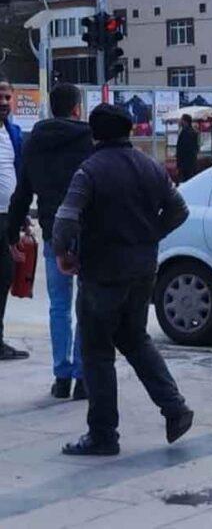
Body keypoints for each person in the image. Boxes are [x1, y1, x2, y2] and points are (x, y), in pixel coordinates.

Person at [53, 104, 193, 455]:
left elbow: (67, 218)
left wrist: (63, 253)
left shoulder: (90, 170)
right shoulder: (150, 167)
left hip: (102, 271)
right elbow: (179, 209)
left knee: (97, 351)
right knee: (135, 338)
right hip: (143, 269)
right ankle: (175, 408)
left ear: (95, 134)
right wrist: (149, 236)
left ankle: (103, 434)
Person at [7, 83, 93, 398]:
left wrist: (12, 231)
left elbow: (22, 192)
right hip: (85, 231)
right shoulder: (88, 140)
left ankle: (61, 377)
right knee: (85, 303)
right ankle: (83, 377)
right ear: (75, 109)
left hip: (53, 231)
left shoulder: (35, 142)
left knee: (58, 305)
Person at [0, 73, 29, 361]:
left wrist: (21, 217)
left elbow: (19, 174)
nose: (3, 102)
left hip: (7, 218)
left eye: (7, 97)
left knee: (5, 277)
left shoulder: (13, 133)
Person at [175, 113, 199, 183]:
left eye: (181, 120)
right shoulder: (193, 132)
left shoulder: (185, 133)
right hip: (192, 163)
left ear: (185, 122)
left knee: (185, 182)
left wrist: (179, 164)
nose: (180, 121)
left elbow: (183, 149)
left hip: (185, 164)